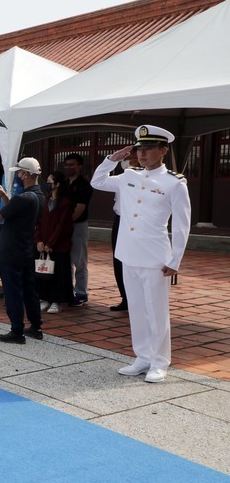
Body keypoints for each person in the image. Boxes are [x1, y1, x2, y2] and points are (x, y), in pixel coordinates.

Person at [91, 125, 190, 383]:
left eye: (148, 149)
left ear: (163, 150)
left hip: (156, 256)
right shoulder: (127, 177)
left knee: (156, 311)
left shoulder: (174, 183)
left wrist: (175, 260)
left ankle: (160, 362)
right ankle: (142, 357)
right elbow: (97, 181)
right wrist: (111, 159)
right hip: (128, 253)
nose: (142, 154)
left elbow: (181, 225)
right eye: (139, 149)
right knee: (136, 309)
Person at [0, 157, 46, 344]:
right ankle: (35, 327)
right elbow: (17, 209)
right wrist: (4, 195)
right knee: (29, 290)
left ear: (26, 174)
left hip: (11, 250)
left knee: (13, 292)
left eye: (20, 172)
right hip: (26, 249)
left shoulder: (23, 197)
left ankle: (16, 331)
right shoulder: (38, 196)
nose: (19, 175)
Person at [34, 171, 74, 314]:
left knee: (58, 273)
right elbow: (39, 222)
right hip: (44, 243)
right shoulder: (47, 200)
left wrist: (51, 243)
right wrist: (38, 239)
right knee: (44, 272)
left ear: (57, 184)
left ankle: (57, 301)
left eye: (50, 182)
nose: (48, 185)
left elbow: (62, 226)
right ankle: (44, 298)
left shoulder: (65, 202)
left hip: (58, 245)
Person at [109, 148, 140, 312]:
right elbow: (98, 181)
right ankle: (125, 298)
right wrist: (111, 160)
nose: (127, 161)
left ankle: (136, 298)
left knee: (134, 262)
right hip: (120, 219)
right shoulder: (122, 178)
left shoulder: (148, 179)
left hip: (137, 222)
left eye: (131, 157)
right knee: (118, 259)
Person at [64, 152, 93, 306]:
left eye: (72, 165)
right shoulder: (63, 183)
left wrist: (66, 222)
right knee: (65, 260)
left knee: (80, 260)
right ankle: (67, 291)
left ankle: (81, 292)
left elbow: (80, 209)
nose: (69, 168)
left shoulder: (83, 185)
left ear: (79, 167)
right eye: (67, 165)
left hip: (78, 226)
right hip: (63, 226)